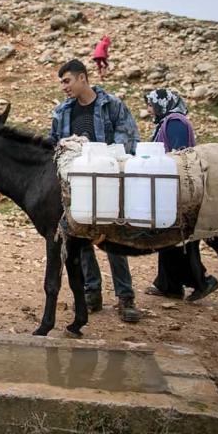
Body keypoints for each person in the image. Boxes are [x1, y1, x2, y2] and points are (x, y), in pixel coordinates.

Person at [49, 59, 142, 322]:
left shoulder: (112, 105)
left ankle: (125, 298)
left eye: (67, 81)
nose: (64, 87)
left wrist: (101, 155)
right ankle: (92, 293)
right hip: (76, 184)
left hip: (109, 181)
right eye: (61, 83)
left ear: (82, 78)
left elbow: (129, 140)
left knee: (112, 239)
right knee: (81, 238)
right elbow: (53, 144)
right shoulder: (62, 112)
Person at [142, 89, 218, 302]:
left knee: (180, 239)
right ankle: (169, 285)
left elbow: (179, 155)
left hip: (177, 189)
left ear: (162, 104)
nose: (149, 110)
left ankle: (203, 280)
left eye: (151, 105)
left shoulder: (175, 122)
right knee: (168, 237)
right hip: (168, 187)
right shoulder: (167, 122)